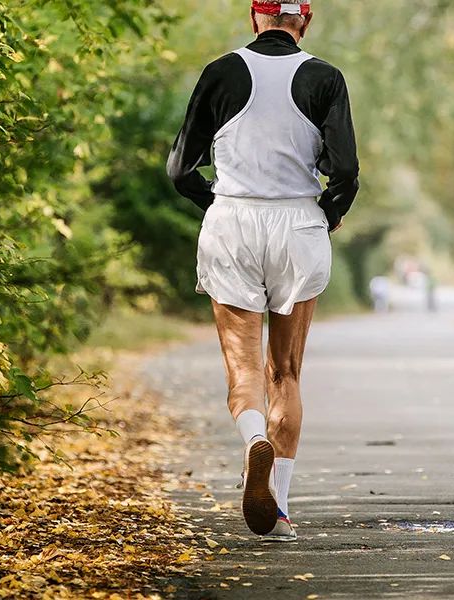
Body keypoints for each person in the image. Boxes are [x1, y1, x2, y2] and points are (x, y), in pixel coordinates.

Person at [166, 0, 359, 542]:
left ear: (256, 18)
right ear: (307, 21)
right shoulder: (325, 78)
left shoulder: (220, 72)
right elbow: (345, 170)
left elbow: (181, 169)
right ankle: (281, 513)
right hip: (298, 225)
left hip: (232, 221)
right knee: (286, 375)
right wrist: (328, 214)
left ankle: (254, 439)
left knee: (243, 372)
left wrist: (219, 207)